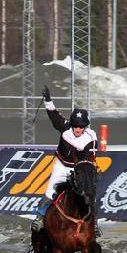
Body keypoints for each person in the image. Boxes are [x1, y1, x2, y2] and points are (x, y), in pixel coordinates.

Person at [31, 85, 100, 235]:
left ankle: (94, 223)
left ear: (85, 127)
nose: (78, 129)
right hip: (61, 166)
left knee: (89, 193)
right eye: (75, 126)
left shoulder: (91, 137)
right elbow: (53, 115)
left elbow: (91, 157)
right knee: (50, 192)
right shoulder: (65, 127)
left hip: (79, 169)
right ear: (71, 124)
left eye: (81, 127)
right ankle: (39, 217)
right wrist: (47, 99)